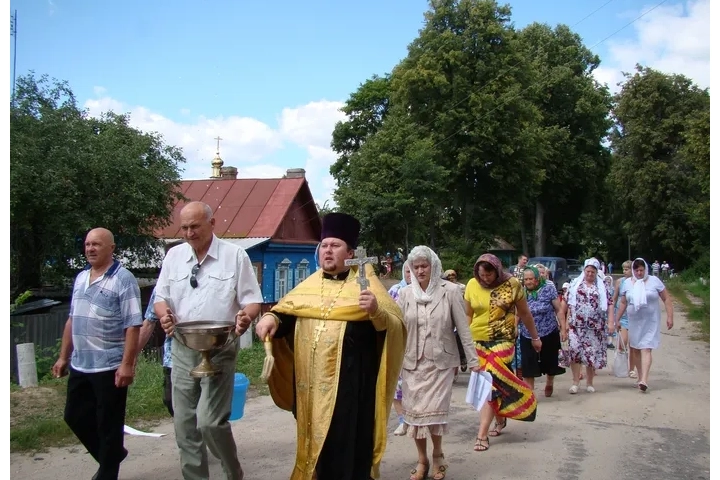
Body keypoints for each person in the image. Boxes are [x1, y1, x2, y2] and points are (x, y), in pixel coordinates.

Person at [254, 212, 407, 480]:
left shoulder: (367, 287)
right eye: (324, 246)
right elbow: (287, 313)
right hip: (311, 386)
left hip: (352, 388)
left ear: (350, 252)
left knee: (348, 446)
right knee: (316, 446)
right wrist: (271, 318)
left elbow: (394, 327)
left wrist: (375, 312)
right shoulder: (308, 287)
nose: (327, 251)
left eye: (334, 246)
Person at [155, 201, 263, 480]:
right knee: (184, 425)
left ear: (212, 224)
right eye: (185, 228)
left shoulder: (235, 256)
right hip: (182, 347)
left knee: (209, 422)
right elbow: (160, 297)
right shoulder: (174, 257)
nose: (190, 233)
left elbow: (252, 301)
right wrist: (164, 314)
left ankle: (233, 473)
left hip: (220, 347)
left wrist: (245, 318)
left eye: (195, 226)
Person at [52, 228, 143, 480]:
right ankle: (111, 455)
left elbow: (132, 325)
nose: (90, 249)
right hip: (81, 363)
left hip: (109, 365)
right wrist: (63, 357)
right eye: (87, 244)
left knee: (108, 423)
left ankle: (107, 471)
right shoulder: (81, 277)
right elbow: (72, 320)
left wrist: (127, 365)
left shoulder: (124, 279)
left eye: (97, 245)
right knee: (74, 416)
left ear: (111, 248)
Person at [396, 246, 480, 480]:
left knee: (434, 414)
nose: (420, 270)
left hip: (441, 363)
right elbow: (397, 330)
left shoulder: (450, 291)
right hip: (412, 362)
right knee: (414, 414)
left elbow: (463, 328)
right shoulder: (404, 294)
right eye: (416, 267)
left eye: (424, 266)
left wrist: (473, 360)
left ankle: (438, 456)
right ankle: (422, 459)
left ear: (434, 267)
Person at [464, 254, 541, 453]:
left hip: (503, 342)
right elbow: (468, 314)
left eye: (489, 274)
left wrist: (535, 337)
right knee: (489, 386)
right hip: (478, 342)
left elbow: (524, 313)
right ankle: (500, 417)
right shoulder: (472, 284)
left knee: (490, 385)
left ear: (497, 270)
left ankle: (481, 434)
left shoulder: (512, 284)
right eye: (481, 275)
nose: (485, 279)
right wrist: (464, 344)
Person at [138, 240, 185, 417]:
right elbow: (149, 322)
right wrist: (131, 357)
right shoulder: (162, 289)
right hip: (172, 359)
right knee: (171, 402)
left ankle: (199, 441)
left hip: (203, 355)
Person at [614, 258, 674, 392]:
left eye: (641, 270)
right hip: (634, 320)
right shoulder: (628, 283)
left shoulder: (654, 281)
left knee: (646, 347)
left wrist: (670, 316)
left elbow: (666, 298)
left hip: (650, 320)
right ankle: (640, 377)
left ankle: (644, 379)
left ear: (646, 269)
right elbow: (623, 302)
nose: (639, 273)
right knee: (635, 348)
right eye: (636, 270)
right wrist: (617, 319)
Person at [564, 258, 614, 394]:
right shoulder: (575, 284)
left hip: (595, 326)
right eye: (588, 271)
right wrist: (564, 323)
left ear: (596, 272)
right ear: (584, 271)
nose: (590, 274)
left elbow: (610, 304)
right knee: (574, 352)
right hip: (576, 325)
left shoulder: (602, 286)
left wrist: (611, 322)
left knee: (591, 354)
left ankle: (590, 382)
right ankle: (575, 382)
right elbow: (567, 302)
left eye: (593, 272)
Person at [520, 266, 567, 397]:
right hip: (527, 332)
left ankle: (549, 382)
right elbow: (518, 313)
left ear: (537, 278)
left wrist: (563, 329)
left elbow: (558, 309)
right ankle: (530, 396)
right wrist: (514, 329)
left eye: (531, 279)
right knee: (528, 365)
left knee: (550, 362)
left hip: (548, 330)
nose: (528, 282)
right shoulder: (521, 290)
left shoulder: (548, 287)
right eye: (526, 279)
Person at [389, 260, 412, 436]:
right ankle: (402, 421)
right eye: (407, 270)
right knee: (397, 385)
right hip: (398, 343)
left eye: (412, 270)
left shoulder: (428, 291)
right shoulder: (395, 290)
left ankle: (417, 419)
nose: (410, 274)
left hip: (419, 344)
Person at [612, 260, 637, 378]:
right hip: (622, 316)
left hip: (634, 316)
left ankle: (632, 369)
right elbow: (614, 298)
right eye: (624, 269)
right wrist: (612, 315)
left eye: (627, 269)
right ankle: (621, 366)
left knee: (634, 345)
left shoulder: (637, 282)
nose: (625, 271)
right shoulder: (619, 282)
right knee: (623, 342)